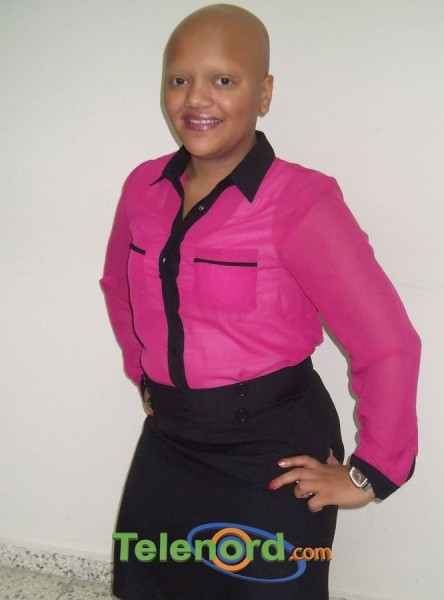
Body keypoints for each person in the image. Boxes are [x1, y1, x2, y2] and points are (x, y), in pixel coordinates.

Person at [100, 4, 421, 599]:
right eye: (179, 79)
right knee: (154, 582)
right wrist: (143, 373)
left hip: (272, 452)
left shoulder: (302, 201)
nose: (197, 98)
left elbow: (389, 344)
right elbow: (119, 288)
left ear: (264, 93)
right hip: (171, 440)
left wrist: (372, 472)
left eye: (224, 79)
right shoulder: (143, 187)